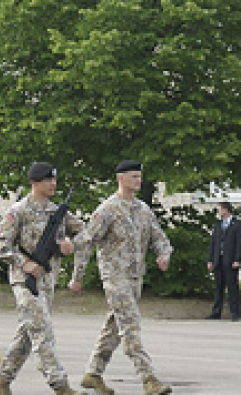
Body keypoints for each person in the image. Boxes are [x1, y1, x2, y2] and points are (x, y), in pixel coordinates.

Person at [68, 160, 173, 395]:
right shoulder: (107, 210)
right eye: (134, 176)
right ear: (121, 178)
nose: (139, 180)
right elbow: (85, 241)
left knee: (114, 326)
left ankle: (93, 373)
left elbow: (160, 238)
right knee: (130, 327)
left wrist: (163, 255)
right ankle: (148, 379)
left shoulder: (143, 210)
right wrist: (77, 276)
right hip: (115, 278)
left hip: (135, 278)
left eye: (140, 176)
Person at [0, 162, 84, 395]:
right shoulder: (19, 211)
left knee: (26, 336)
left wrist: (71, 244)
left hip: (47, 282)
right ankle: (60, 385)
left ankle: (1, 384)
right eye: (47, 180)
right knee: (42, 331)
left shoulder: (57, 212)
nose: (52, 184)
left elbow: (84, 231)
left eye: (54, 180)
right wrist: (25, 263)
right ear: (34, 183)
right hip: (24, 281)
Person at [206, 201, 241, 322]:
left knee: (232, 286)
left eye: (220, 209)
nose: (218, 211)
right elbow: (214, 243)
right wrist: (211, 260)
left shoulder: (237, 224)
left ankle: (235, 313)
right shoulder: (218, 225)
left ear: (225, 210)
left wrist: (237, 259)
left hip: (230, 260)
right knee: (218, 287)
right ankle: (216, 312)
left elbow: (240, 243)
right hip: (219, 259)